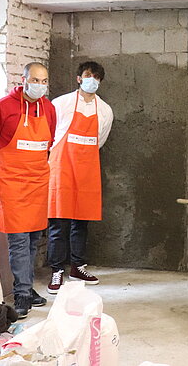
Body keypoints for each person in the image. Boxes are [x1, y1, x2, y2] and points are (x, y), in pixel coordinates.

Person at [0, 62, 56, 319]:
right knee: (19, 239)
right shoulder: (2, 107)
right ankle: (21, 293)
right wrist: (3, 166)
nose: (40, 85)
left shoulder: (49, 109)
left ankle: (27, 286)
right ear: (23, 80)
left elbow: (48, 144)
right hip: (12, 182)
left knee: (33, 238)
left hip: (37, 181)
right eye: (35, 80)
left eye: (44, 81)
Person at [47, 61, 113, 293]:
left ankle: (77, 266)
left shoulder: (104, 111)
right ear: (78, 78)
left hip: (87, 170)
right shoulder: (60, 104)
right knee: (58, 222)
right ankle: (56, 270)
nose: (91, 80)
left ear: (100, 81)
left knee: (81, 222)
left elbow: (99, 141)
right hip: (61, 167)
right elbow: (50, 134)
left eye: (96, 77)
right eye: (87, 75)